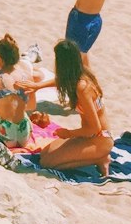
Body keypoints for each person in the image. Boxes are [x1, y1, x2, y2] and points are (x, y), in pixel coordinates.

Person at [36, 40, 112, 174]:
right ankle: (95, 156)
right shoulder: (83, 73)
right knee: (44, 154)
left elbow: (95, 128)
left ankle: (99, 159)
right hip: (88, 136)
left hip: (99, 139)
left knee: (46, 163)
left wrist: (68, 133)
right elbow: (62, 80)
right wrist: (37, 86)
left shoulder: (82, 88)